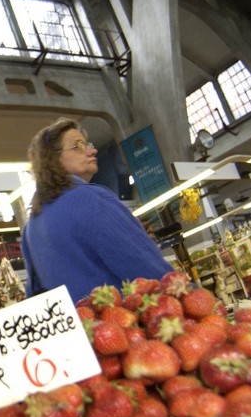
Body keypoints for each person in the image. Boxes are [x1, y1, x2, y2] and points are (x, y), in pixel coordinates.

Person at [21, 117, 173, 302]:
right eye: (78, 146)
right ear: (53, 159)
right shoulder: (91, 199)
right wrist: (189, 294)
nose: (92, 150)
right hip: (120, 326)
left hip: (80, 327)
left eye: (88, 144)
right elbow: (145, 265)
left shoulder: (31, 228)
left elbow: (35, 296)